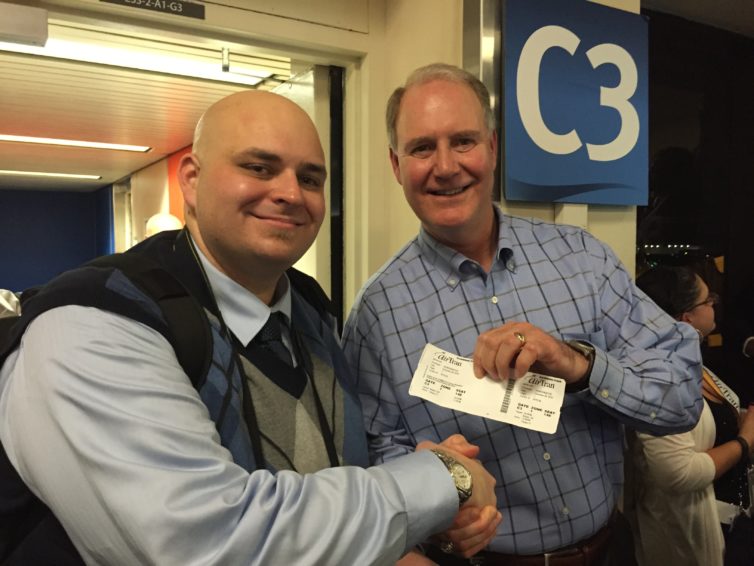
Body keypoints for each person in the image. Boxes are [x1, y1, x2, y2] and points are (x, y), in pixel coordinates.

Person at [0, 90, 499, 565]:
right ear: (191, 180)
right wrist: (440, 480)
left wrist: (425, 513)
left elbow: (338, 483)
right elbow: (215, 543)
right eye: (258, 168)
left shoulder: (309, 309)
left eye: (310, 179)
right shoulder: (93, 324)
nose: (288, 193)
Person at [342, 63, 704, 565]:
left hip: (611, 549)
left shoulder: (583, 259)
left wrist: (580, 367)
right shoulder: (375, 314)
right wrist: (436, 507)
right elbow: (377, 458)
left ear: (491, 148)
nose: (445, 166)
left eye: (463, 141)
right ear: (395, 164)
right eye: (422, 147)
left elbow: (682, 398)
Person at [626, 266, 754, 566]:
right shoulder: (658, 379)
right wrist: (744, 442)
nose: (714, 306)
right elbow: (678, 473)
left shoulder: (692, 363)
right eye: (708, 301)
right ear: (686, 318)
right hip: (690, 532)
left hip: (730, 523)